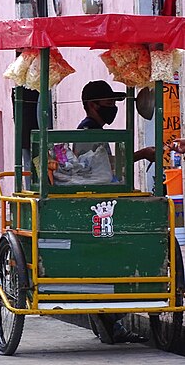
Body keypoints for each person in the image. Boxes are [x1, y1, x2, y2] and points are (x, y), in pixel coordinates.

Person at [78, 80, 153, 345]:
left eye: (114, 104)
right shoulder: (86, 132)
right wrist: (142, 153)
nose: (112, 109)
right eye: (108, 104)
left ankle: (111, 320)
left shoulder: (95, 130)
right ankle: (111, 317)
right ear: (92, 105)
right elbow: (101, 168)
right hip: (96, 205)